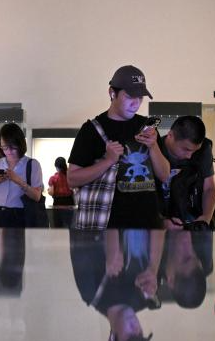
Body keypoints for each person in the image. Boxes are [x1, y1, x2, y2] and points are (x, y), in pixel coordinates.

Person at [67, 65, 170, 232]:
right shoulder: (92, 130)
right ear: (112, 93)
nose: (136, 103)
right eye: (129, 97)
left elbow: (164, 175)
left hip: (149, 223)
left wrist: (153, 146)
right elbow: (72, 179)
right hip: (107, 226)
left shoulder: (147, 127)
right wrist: (107, 161)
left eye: (140, 98)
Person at [69, 228, 164, 341]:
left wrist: (111, 238)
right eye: (140, 335)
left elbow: (81, 223)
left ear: (112, 339)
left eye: (131, 336)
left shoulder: (91, 291)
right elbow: (161, 224)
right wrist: (153, 267)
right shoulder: (147, 293)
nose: (136, 328)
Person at [157, 115, 215, 230]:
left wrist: (205, 218)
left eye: (195, 151)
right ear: (170, 135)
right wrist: (160, 222)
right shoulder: (155, 150)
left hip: (193, 218)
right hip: (162, 223)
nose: (189, 156)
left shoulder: (204, 149)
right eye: (186, 149)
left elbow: (209, 188)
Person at [0, 124, 44, 228]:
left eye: (12, 147)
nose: (8, 151)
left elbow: (37, 196)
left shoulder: (32, 164)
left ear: (20, 144)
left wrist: (18, 181)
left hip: (19, 215)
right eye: (4, 147)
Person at [48, 156, 75, 228]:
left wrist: (48, 190)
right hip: (69, 202)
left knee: (58, 227)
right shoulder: (70, 176)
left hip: (58, 203)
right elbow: (75, 189)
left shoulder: (53, 178)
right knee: (69, 226)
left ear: (56, 166)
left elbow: (51, 192)